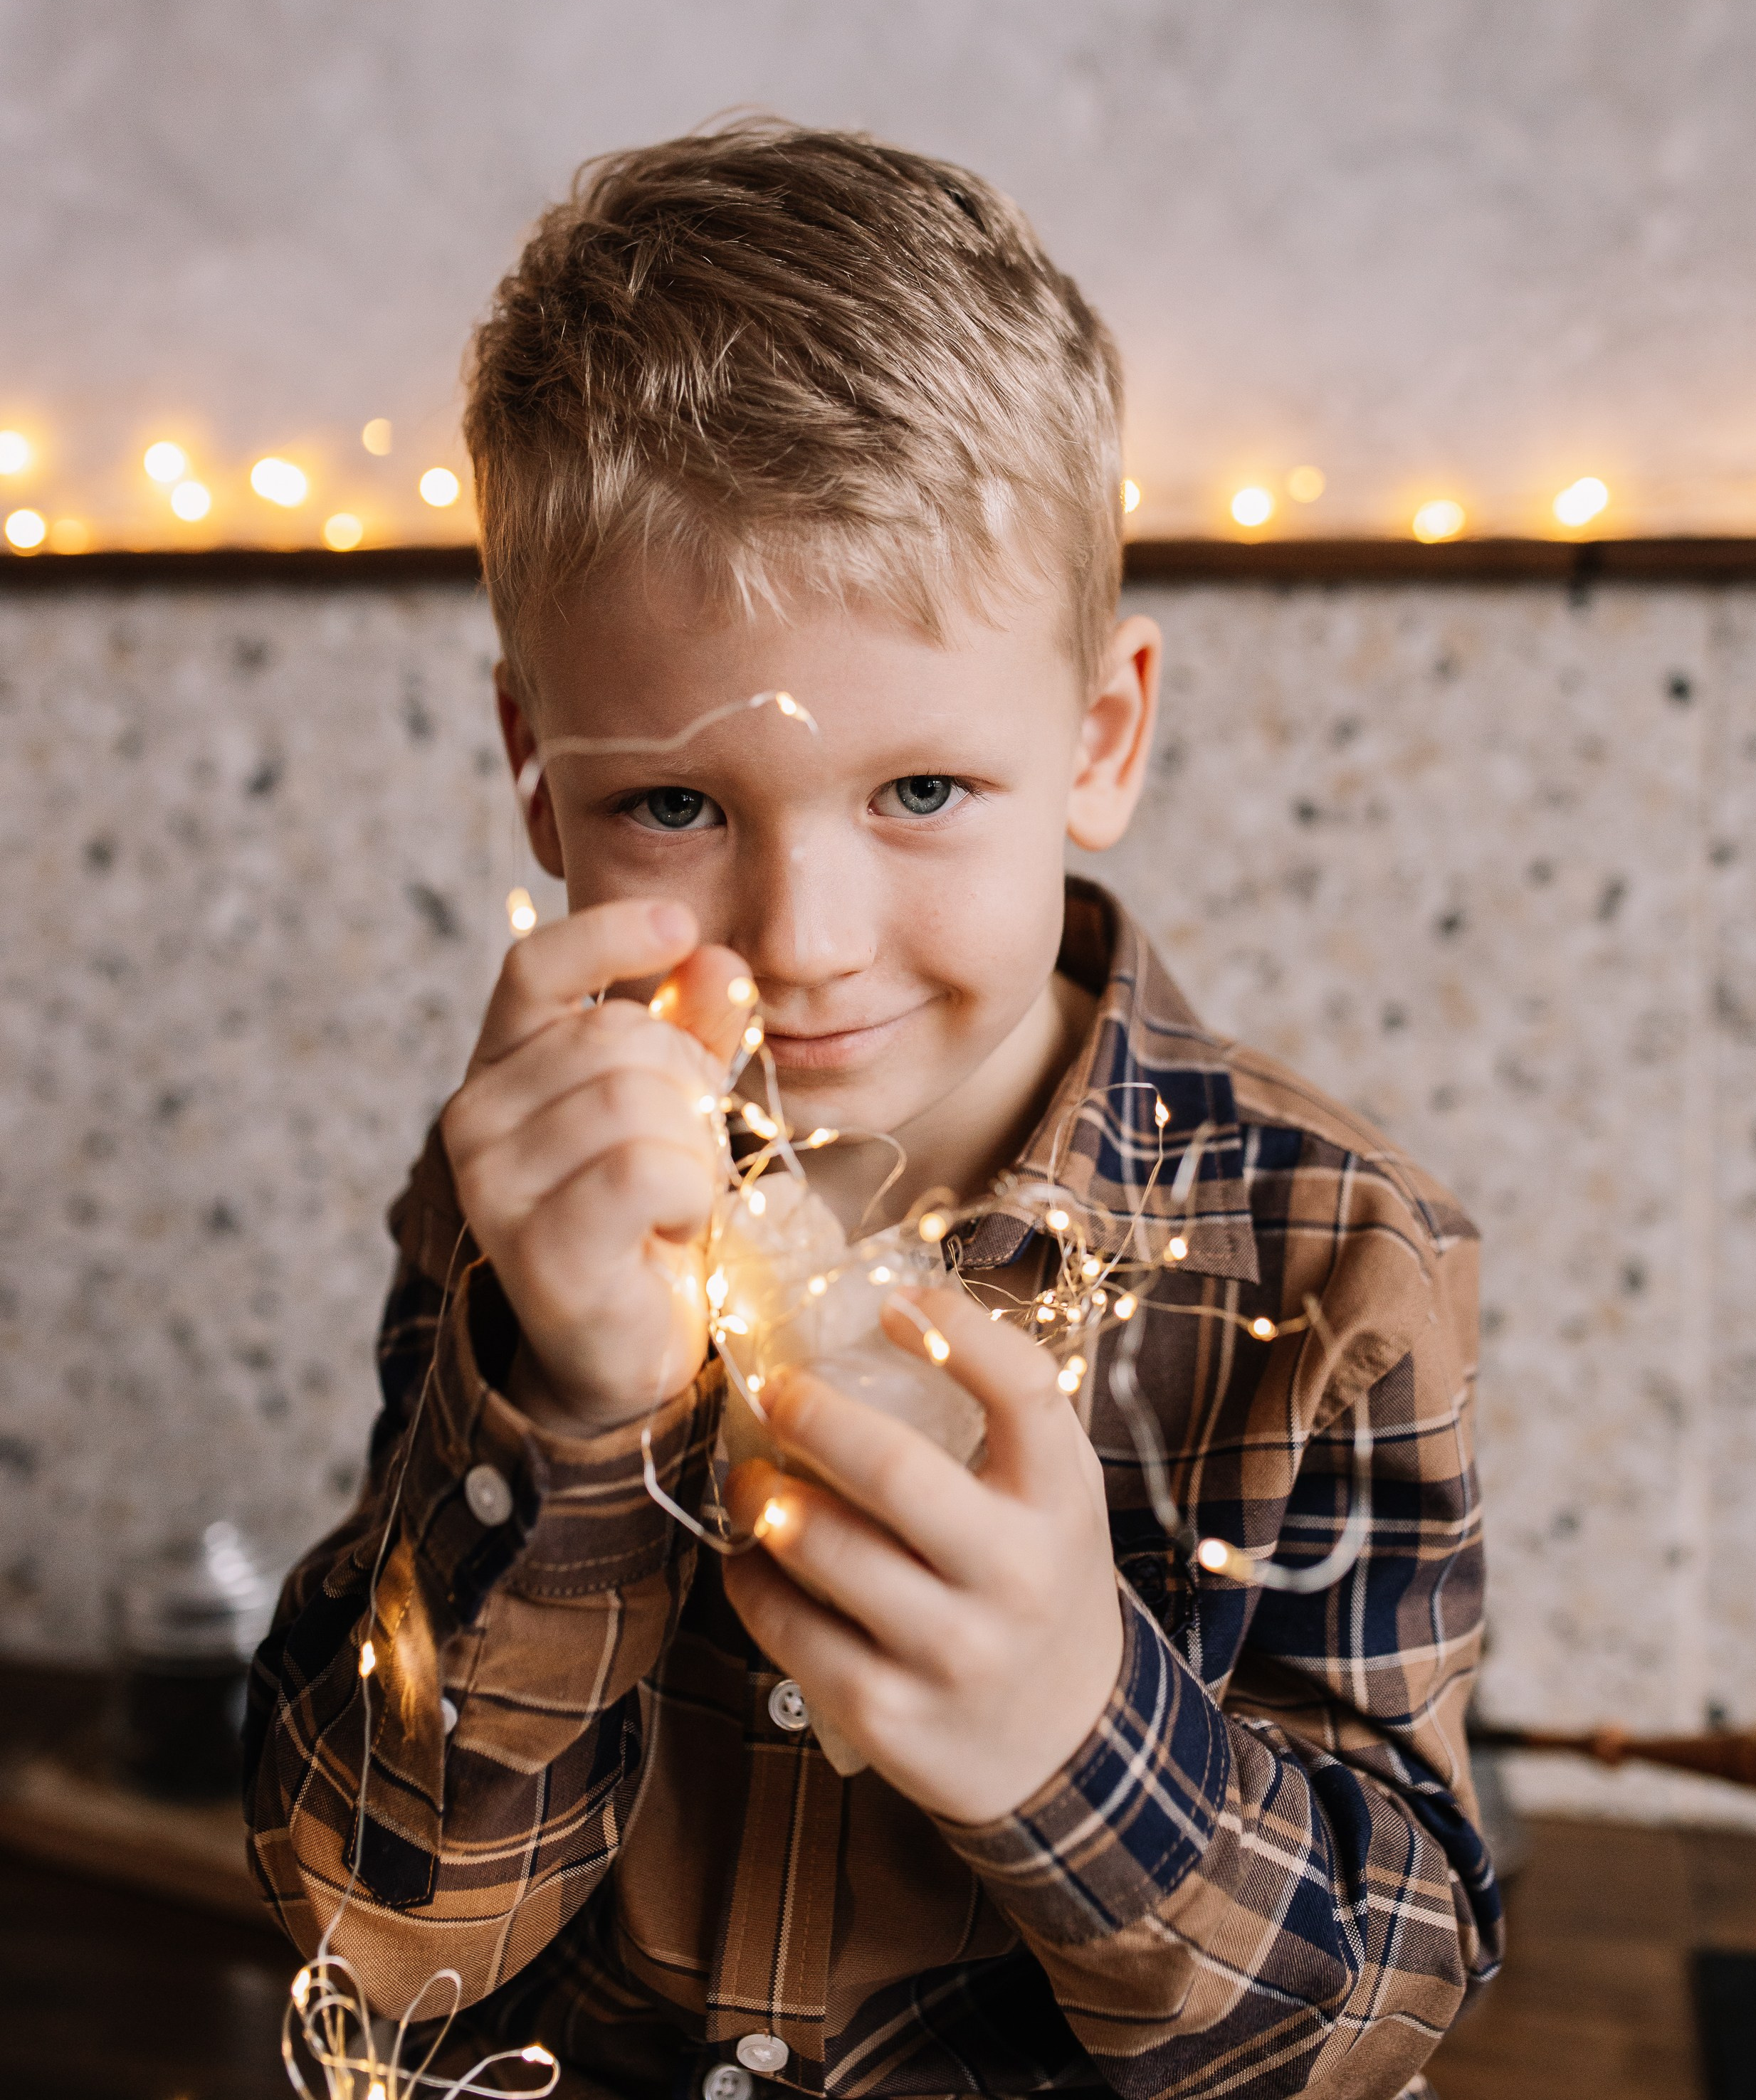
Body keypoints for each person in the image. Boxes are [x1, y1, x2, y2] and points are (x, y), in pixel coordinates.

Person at [245, 123, 1501, 2100]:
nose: (806, 940)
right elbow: (374, 1928)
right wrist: (559, 1409)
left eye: (920, 793)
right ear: (534, 772)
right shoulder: (530, 1197)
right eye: (674, 803)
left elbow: (1375, 2008)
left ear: (1097, 736)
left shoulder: (1327, 1251)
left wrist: (1071, 1736)